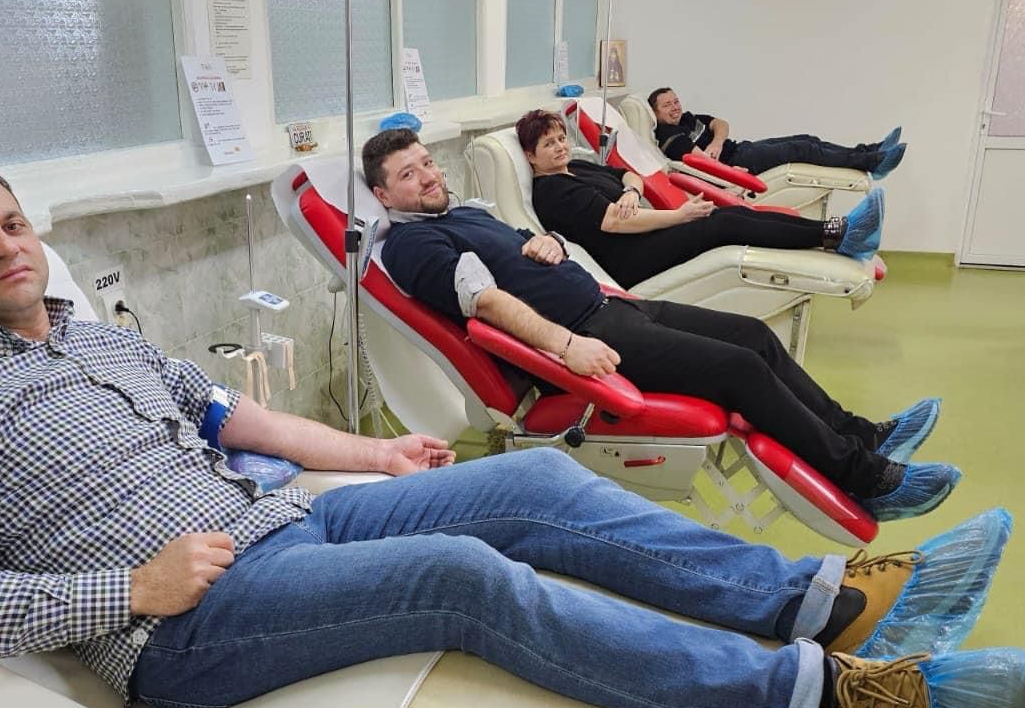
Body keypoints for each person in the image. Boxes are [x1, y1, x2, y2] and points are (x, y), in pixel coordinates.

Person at [0, 149, 1021, 708]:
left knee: (536, 483)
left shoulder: (101, 340)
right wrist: (131, 588)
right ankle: (829, 705)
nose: (5, 247)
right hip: (187, 621)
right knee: (466, 579)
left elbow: (239, 420)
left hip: (286, 524)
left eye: (13, 223)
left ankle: (826, 600)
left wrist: (380, 454)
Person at [364, 127, 953, 521]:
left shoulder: (461, 212)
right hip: (589, 334)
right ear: (382, 193)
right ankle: (867, 478)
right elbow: (487, 303)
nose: (428, 176)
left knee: (753, 335)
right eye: (409, 175)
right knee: (739, 369)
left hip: (612, 306)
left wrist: (546, 243)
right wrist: (568, 346)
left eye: (427, 163)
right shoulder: (414, 245)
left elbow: (522, 242)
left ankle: (861, 433)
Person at [519, 109, 886, 286]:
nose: (560, 146)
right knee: (723, 224)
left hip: (645, 237)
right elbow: (615, 222)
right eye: (548, 144)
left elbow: (629, 176)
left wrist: (632, 190)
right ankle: (834, 234)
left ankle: (835, 232)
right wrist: (679, 216)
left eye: (561, 138)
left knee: (730, 217)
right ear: (531, 155)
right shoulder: (553, 190)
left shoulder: (576, 167)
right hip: (630, 260)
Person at [648, 87, 907, 180]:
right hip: (738, 162)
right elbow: (702, 162)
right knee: (803, 150)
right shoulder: (670, 136)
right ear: (656, 113)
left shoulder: (687, 118)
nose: (675, 107)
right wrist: (731, 173)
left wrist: (717, 141)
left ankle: (871, 151)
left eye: (676, 101)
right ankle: (871, 163)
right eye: (667, 105)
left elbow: (721, 124)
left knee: (808, 140)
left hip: (741, 148)